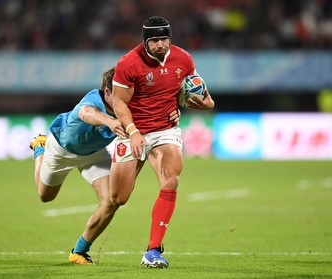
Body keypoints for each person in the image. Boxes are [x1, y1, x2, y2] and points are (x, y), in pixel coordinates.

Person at [29, 67, 180, 265]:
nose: (124, 97)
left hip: (94, 154)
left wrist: (173, 113)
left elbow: (153, 114)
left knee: (112, 200)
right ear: (107, 92)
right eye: (118, 92)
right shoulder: (93, 99)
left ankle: (80, 251)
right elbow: (86, 113)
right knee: (45, 196)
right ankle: (40, 149)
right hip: (61, 149)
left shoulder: (129, 104)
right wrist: (109, 122)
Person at [109, 16, 215, 269]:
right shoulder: (128, 63)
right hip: (132, 131)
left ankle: (153, 249)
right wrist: (133, 131)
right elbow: (119, 102)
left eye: (164, 39)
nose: (159, 45)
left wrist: (203, 104)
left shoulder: (184, 58)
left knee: (171, 180)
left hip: (164, 130)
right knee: (118, 198)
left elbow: (200, 91)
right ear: (145, 41)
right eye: (154, 40)